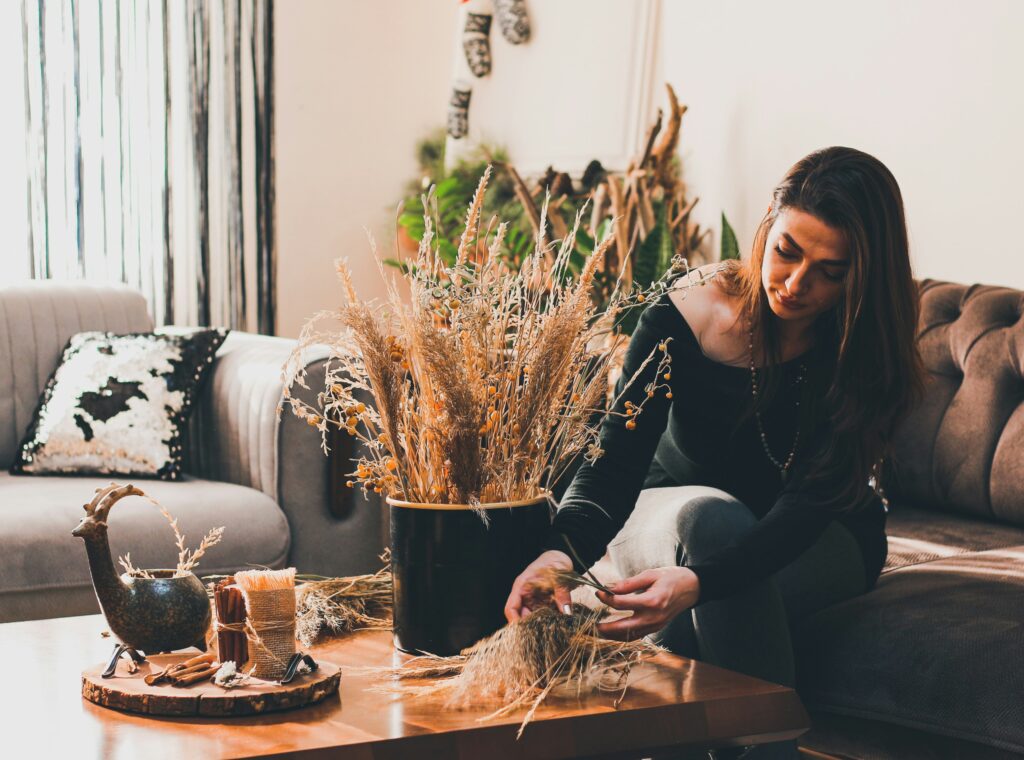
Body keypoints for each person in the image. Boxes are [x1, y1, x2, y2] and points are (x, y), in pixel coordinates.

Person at [504, 146, 926, 760]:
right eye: (786, 250)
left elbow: (812, 499)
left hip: (820, 535)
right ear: (766, 229)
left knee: (689, 621)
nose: (796, 283)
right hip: (667, 514)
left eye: (831, 271)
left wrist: (700, 583)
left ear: (863, 274)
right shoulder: (690, 313)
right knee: (711, 516)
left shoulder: (867, 347)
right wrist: (558, 553)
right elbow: (613, 459)